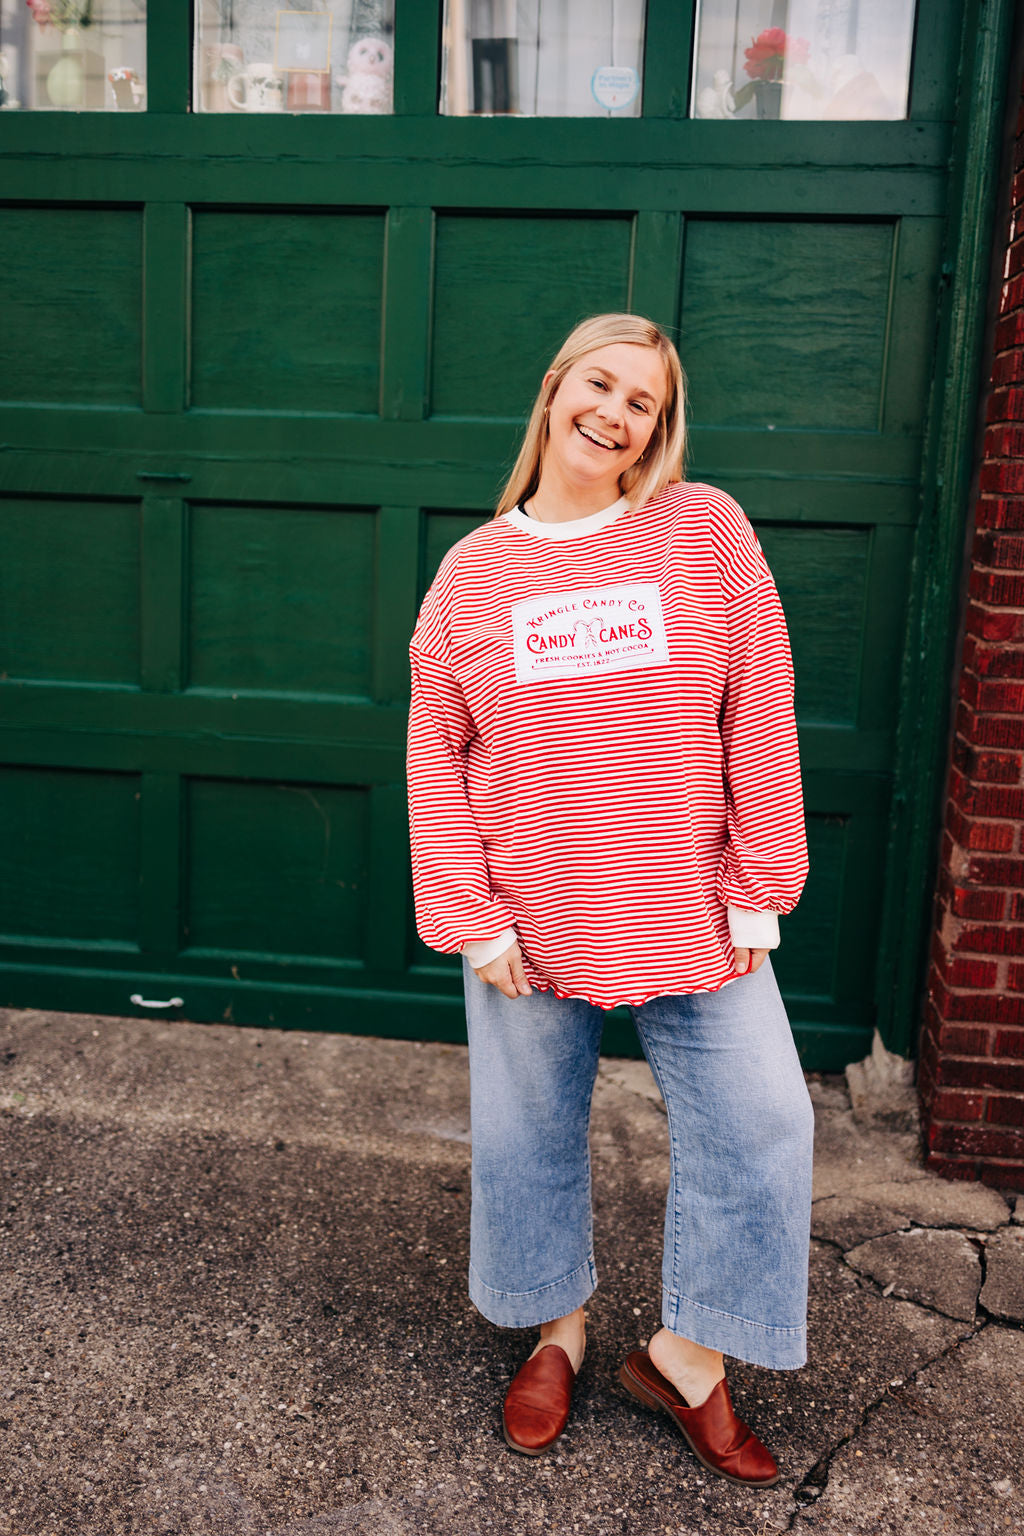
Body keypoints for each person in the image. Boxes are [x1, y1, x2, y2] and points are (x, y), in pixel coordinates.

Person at [405, 313, 812, 1488]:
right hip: (528, 915)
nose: (616, 413)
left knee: (766, 1123)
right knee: (528, 1135)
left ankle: (685, 1359)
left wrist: (758, 889)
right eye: (601, 383)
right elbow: (437, 750)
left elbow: (760, 706)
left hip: (692, 903)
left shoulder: (703, 530)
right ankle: (557, 1332)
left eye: (643, 401)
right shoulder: (474, 572)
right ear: (553, 389)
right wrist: (470, 913)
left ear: (658, 427)